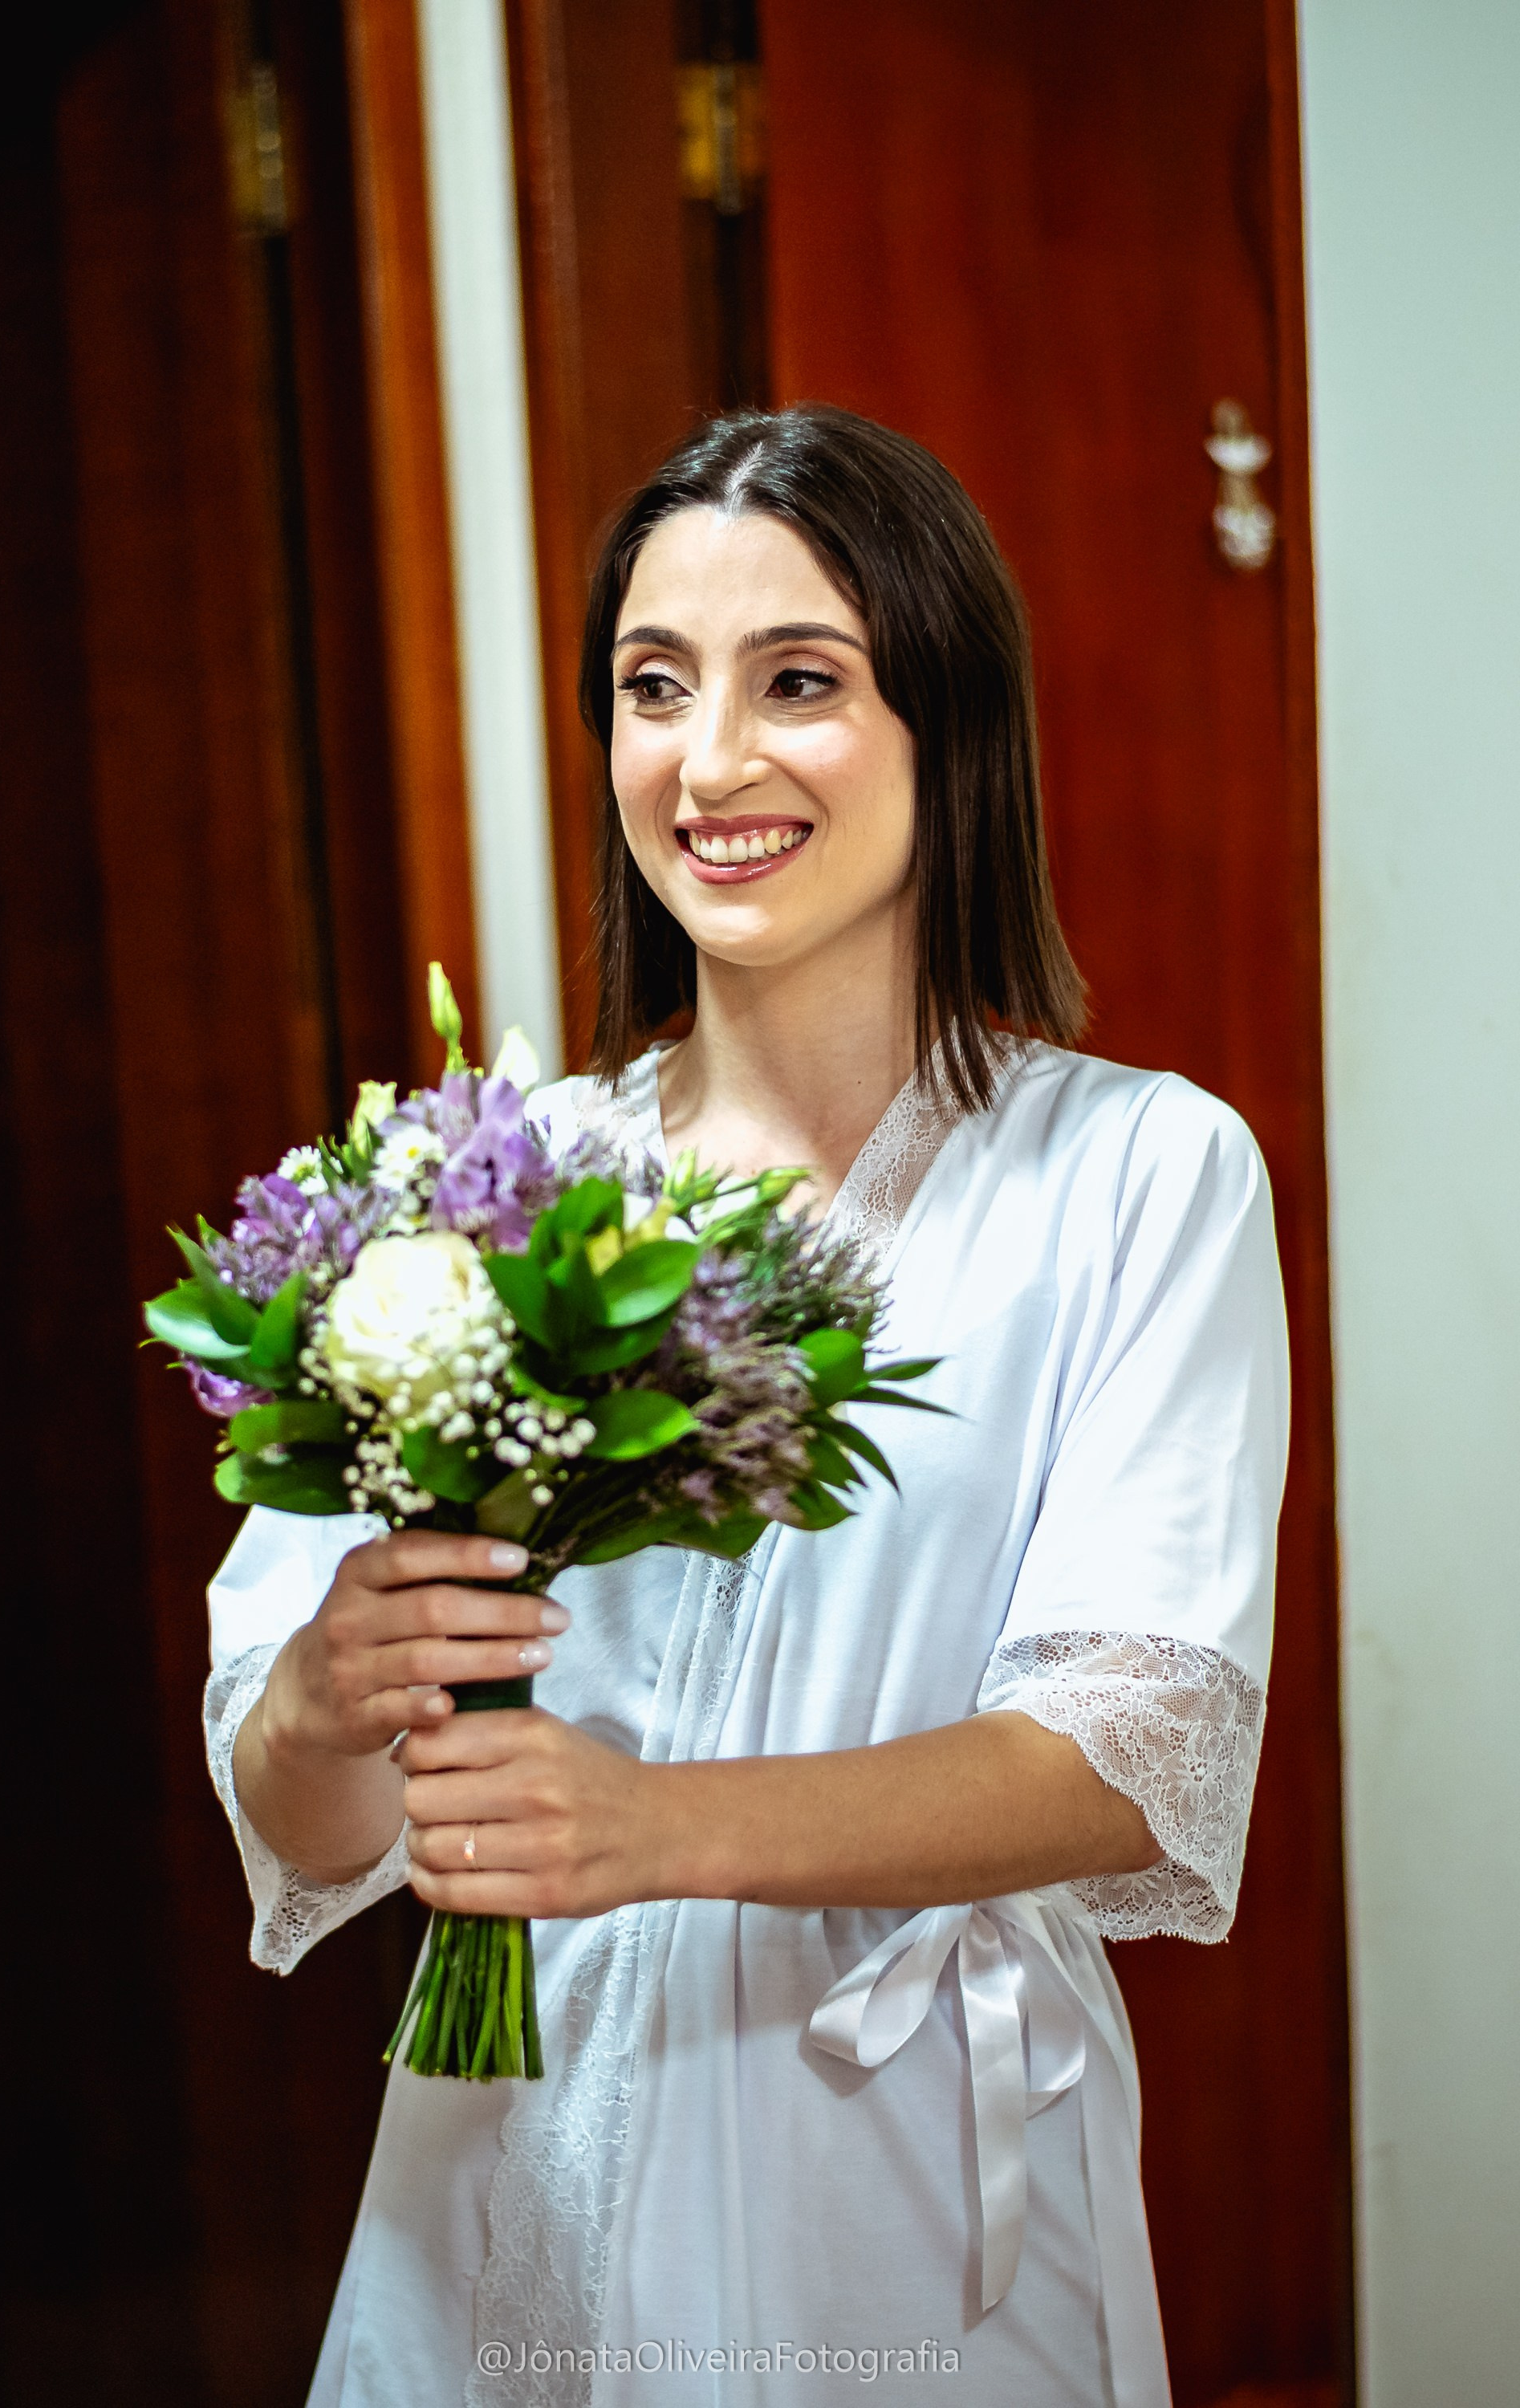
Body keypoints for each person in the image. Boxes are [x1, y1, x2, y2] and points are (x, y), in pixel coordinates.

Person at [205, 406, 1288, 2407]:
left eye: (800, 682)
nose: (709, 764)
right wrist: (323, 1695)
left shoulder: (1142, 1173)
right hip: (496, 2156)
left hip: (899, 2192)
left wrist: (654, 1827)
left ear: (943, 726)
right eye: (651, 688)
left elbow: (1140, 1747)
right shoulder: (486, 1180)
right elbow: (307, 1823)